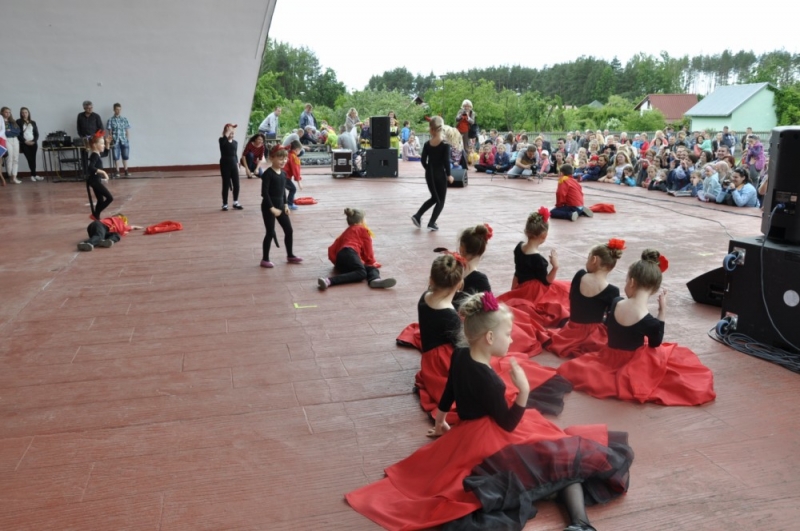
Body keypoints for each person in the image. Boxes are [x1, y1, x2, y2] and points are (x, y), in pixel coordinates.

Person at [349, 290, 633, 531]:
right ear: (488, 337)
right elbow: (508, 423)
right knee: (565, 458)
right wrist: (523, 391)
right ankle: (580, 522)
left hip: (468, 433)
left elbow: (449, 391)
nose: (511, 340)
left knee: (556, 454)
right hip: (492, 436)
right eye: (507, 334)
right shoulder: (491, 380)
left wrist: (440, 422)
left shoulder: (460, 352)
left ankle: (569, 510)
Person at [396, 252, 570, 422]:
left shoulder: (425, 297)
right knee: (495, 366)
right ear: (459, 284)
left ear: (431, 280)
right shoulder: (449, 315)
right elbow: (462, 346)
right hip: (444, 362)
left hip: (430, 360)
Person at [558, 249, 716, 406]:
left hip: (609, 357)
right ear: (654, 290)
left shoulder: (616, 302)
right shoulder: (650, 322)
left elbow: (609, 325)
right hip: (633, 364)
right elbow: (655, 343)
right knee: (662, 354)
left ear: (632, 282)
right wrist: (662, 312)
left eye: (626, 280)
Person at [547, 240, 624, 358]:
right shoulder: (612, 291)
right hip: (594, 336)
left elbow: (572, 298)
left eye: (588, 258)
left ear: (594, 259)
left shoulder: (580, 275)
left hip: (571, 330)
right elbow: (610, 321)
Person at [498, 208, 571, 329]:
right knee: (563, 292)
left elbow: (517, 272)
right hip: (534, 291)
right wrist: (555, 267)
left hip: (521, 286)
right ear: (544, 235)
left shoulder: (518, 247)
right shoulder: (538, 259)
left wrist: (513, 291)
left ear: (527, 231)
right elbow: (547, 281)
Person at [317, 208, 396, 290]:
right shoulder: (362, 230)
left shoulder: (346, 231)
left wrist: (337, 263)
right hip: (349, 252)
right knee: (362, 273)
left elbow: (332, 249)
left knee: (370, 269)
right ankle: (329, 281)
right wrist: (372, 262)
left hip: (340, 259)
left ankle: (375, 280)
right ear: (362, 220)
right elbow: (368, 250)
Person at [260, 144, 302, 268]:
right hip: (269, 206)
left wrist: (286, 205)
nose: (283, 161)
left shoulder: (283, 174)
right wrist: (272, 208)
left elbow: (283, 191)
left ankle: (290, 255)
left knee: (289, 230)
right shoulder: (268, 174)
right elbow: (264, 193)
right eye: (280, 159)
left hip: (280, 205)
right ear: (272, 158)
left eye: (285, 158)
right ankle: (265, 259)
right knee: (270, 232)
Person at [411, 116, 452, 232]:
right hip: (440, 173)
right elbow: (446, 161)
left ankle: (418, 215)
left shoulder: (427, 144)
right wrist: (449, 174)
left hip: (429, 173)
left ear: (431, 129)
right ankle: (432, 222)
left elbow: (423, 160)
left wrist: (428, 169)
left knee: (434, 197)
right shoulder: (445, 144)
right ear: (441, 128)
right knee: (440, 200)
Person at [84, 131, 113, 219]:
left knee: (100, 200)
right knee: (109, 198)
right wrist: (103, 172)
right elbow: (90, 167)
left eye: (104, 144)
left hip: (96, 180)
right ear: (95, 145)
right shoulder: (94, 155)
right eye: (102, 144)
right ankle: (95, 214)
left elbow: (106, 153)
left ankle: (96, 217)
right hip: (94, 181)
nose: (103, 145)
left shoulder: (97, 154)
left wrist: (107, 143)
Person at [77, 213, 142, 251]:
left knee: (116, 234)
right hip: (100, 225)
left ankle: (107, 241)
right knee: (99, 236)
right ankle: (87, 243)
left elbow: (120, 230)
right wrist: (132, 227)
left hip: (100, 229)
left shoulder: (114, 223)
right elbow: (123, 227)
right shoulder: (117, 219)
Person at [218, 123, 242, 211]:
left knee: (236, 184)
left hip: (233, 164)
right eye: (230, 132)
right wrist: (227, 132)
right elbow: (223, 144)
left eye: (233, 133)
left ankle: (235, 201)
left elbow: (235, 154)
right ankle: (225, 203)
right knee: (226, 184)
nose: (231, 134)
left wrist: (237, 164)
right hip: (225, 164)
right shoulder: (222, 140)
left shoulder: (235, 142)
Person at [77, 101, 103, 176]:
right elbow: (78, 128)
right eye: (88, 108)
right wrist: (82, 137)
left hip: (94, 139)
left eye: (91, 108)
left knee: (95, 156)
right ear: (84, 108)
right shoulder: (80, 115)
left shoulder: (96, 116)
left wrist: (96, 137)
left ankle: (97, 172)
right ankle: (85, 173)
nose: (90, 109)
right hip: (84, 139)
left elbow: (101, 129)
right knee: (84, 157)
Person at [17, 107, 42, 181]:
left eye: (26, 112)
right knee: (29, 159)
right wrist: (25, 141)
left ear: (28, 113)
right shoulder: (18, 121)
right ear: (21, 114)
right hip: (24, 143)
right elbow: (18, 134)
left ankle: (34, 175)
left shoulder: (33, 122)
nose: (24, 114)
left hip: (33, 143)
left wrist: (34, 141)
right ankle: (33, 175)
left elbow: (36, 134)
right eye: (22, 113)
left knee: (33, 159)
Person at [106, 103, 132, 177]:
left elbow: (127, 130)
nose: (118, 111)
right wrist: (111, 140)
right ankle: (117, 171)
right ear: (114, 110)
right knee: (116, 156)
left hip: (124, 140)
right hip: (115, 140)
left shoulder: (124, 119)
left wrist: (127, 139)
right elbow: (110, 132)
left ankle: (126, 170)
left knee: (125, 156)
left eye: (119, 109)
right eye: (117, 109)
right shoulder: (110, 120)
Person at [1, 107, 21, 184]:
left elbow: (18, 131)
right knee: (9, 158)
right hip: (7, 140)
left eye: (9, 112)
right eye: (6, 112)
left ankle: (14, 176)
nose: (8, 114)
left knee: (16, 158)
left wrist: (10, 131)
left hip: (15, 139)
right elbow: (4, 132)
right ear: (2, 112)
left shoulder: (12, 121)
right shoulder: (1, 121)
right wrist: (11, 131)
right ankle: (10, 176)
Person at [283, 140, 304, 211]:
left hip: (281, 174)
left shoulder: (288, 154)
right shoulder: (294, 157)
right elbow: (296, 170)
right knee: (293, 189)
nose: (300, 152)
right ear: (297, 150)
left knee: (281, 190)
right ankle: (289, 204)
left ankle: (285, 203)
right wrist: (299, 182)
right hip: (284, 176)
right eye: (300, 150)